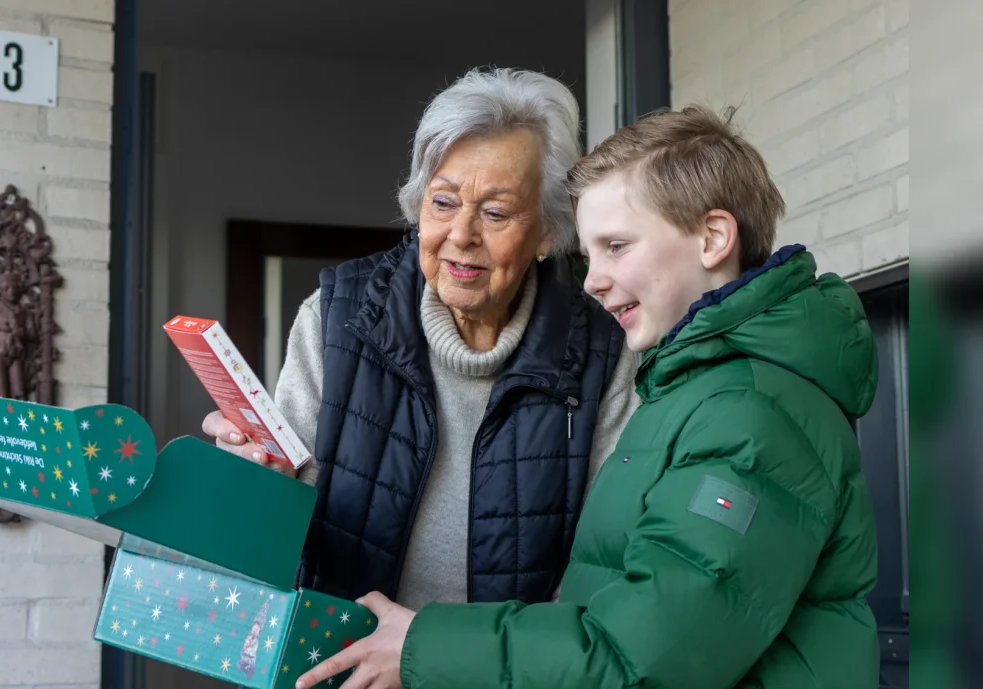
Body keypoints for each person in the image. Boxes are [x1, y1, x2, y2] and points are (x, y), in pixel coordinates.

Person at [295, 104, 882, 689]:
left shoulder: (751, 416)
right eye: (591, 253)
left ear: (713, 237)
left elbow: (641, 660)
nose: (594, 280)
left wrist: (423, 645)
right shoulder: (691, 388)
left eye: (617, 247)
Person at [204, 67, 641, 615]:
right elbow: (286, 529)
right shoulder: (337, 320)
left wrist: (463, 662)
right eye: (443, 202)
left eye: (496, 212)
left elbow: (601, 568)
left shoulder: (603, 349)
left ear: (548, 233)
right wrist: (260, 480)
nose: (462, 234)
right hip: (345, 660)